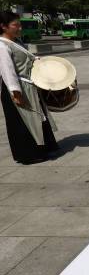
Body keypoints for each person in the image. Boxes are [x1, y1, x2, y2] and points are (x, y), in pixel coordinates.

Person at [0, 11, 58, 164]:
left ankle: (42, 149)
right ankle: (28, 154)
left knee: (35, 117)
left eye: (20, 25)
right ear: (3, 27)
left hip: (28, 86)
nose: (19, 28)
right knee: (23, 121)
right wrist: (15, 92)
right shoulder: (2, 45)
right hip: (17, 88)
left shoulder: (16, 41)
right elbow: (7, 71)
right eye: (15, 25)